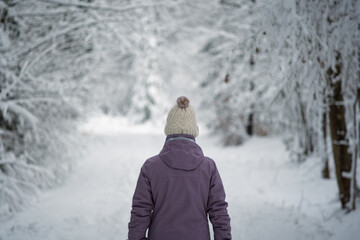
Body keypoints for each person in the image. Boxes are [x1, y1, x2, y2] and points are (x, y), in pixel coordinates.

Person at [128, 96, 231, 240]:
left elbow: (140, 211)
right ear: (194, 130)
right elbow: (219, 211)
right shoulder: (209, 167)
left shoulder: (150, 167)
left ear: (168, 129)